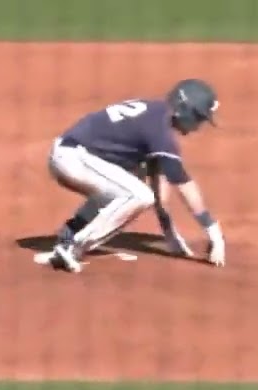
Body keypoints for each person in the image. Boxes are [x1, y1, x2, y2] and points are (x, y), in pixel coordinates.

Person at [35, 78, 227, 273]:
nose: (198, 125)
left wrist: (169, 232)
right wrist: (213, 231)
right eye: (199, 118)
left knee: (131, 181)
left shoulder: (156, 114)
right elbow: (183, 183)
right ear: (184, 109)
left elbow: (158, 181)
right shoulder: (159, 131)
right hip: (73, 158)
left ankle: (71, 233)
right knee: (138, 196)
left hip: (76, 156)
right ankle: (71, 247)